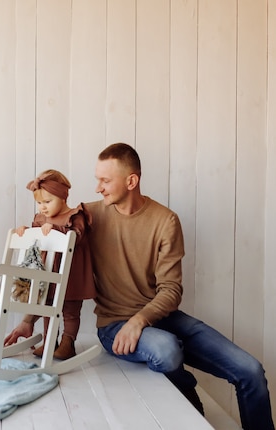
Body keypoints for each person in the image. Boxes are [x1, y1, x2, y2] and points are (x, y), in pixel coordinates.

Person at [86, 143, 273, 429]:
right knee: (166, 349)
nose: (98, 187)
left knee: (251, 371)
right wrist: (32, 227)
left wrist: (140, 320)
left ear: (131, 181)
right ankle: (192, 403)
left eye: (105, 180)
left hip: (160, 318)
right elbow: (48, 225)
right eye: (97, 179)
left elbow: (171, 291)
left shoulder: (165, 220)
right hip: (114, 325)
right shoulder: (89, 216)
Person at [5, 169, 96, 360]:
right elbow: (36, 240)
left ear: (63, 198)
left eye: (48, 202)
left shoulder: (75, 215)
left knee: (70, 310)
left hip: (70, 273)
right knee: (47, 306)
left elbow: (76, 237)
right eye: (39, 203)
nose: (43, 207)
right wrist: (26, 232)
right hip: (48, 273)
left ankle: (68, 342)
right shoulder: (40, 219)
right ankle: (49, 340)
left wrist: (54, 229)